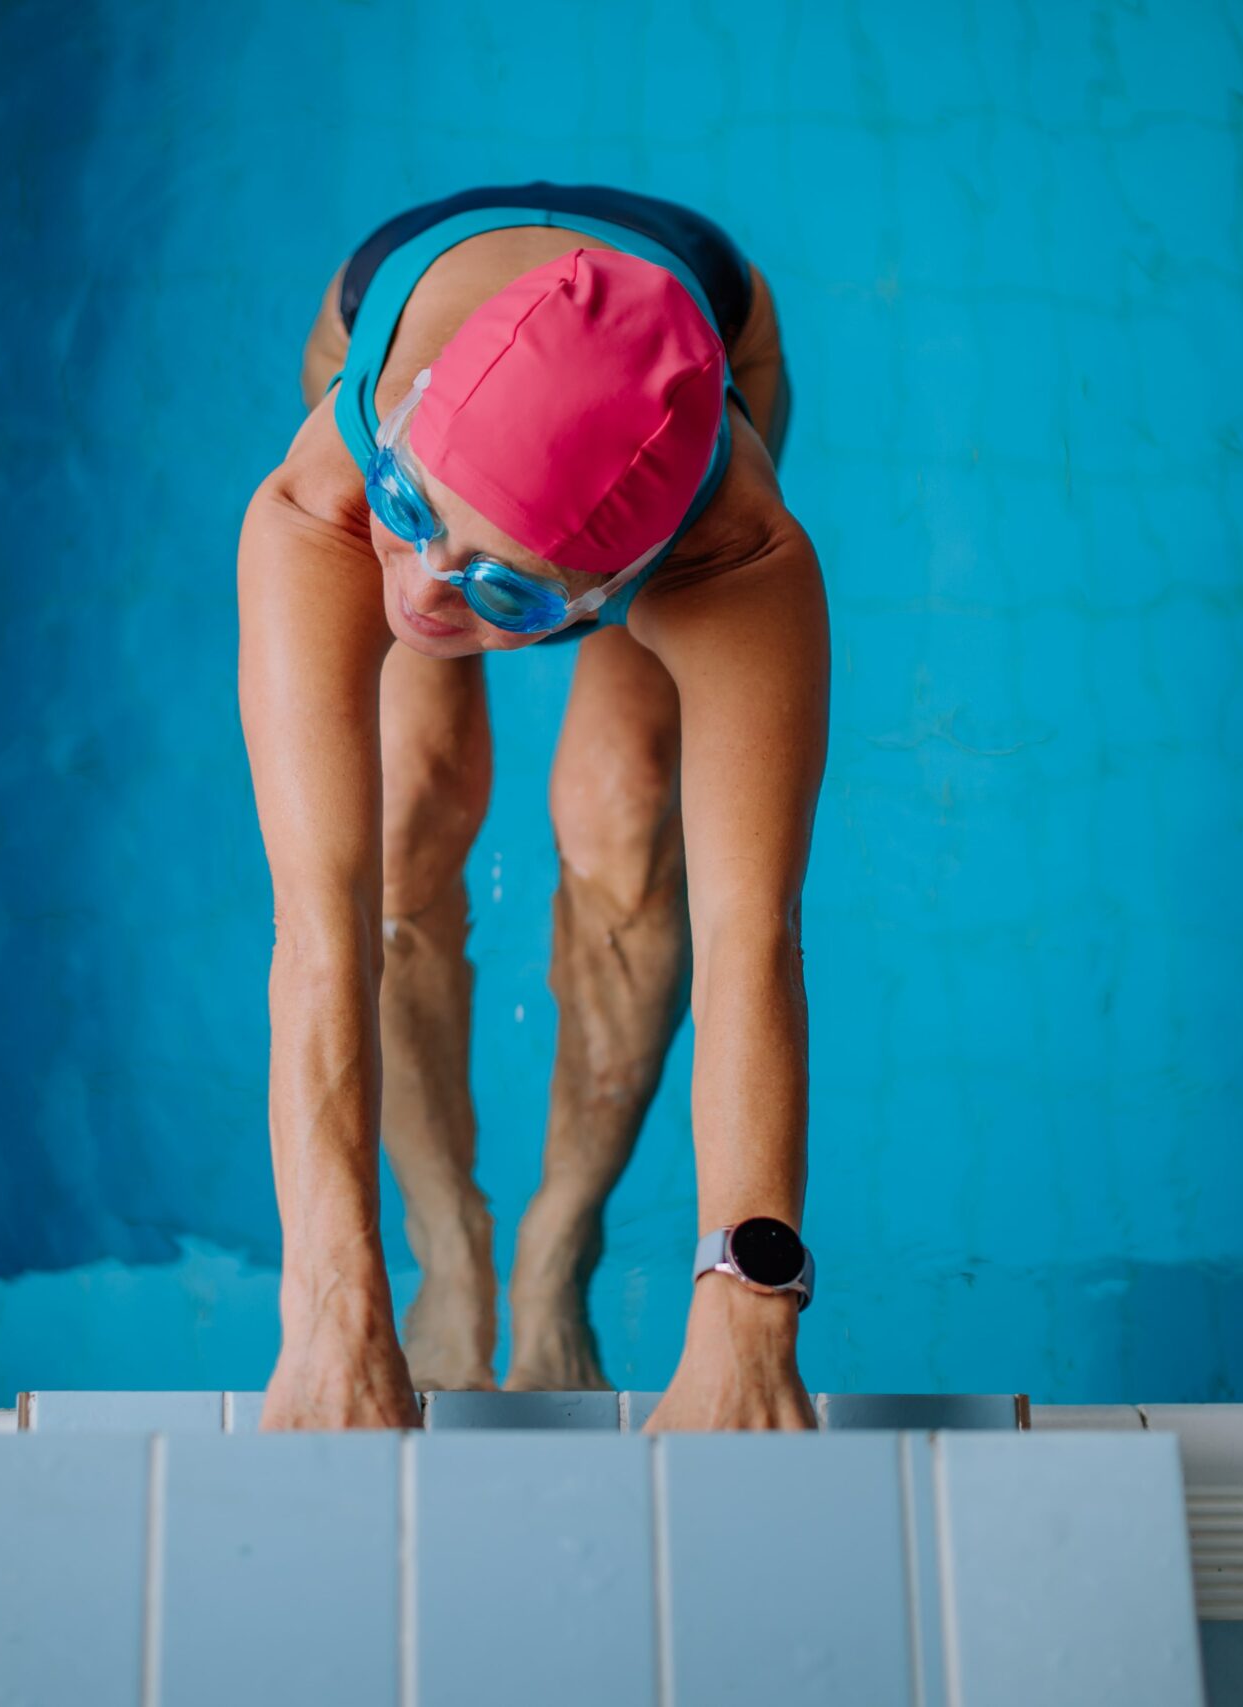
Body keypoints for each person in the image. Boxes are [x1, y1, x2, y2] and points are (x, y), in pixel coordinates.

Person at [237, 183, 828, 1431]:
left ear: (623, 584)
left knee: (620, 817)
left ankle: (561, 1233)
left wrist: (744, 1310)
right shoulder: (331, 501)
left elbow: (750, 936)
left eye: (502, 601)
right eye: (410, 524)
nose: (420, 597)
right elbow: (316, 929)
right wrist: (335, 1299)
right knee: (403, 825)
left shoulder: (738, 555)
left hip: (707, 347)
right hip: (392, 312)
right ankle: (446, 1234)